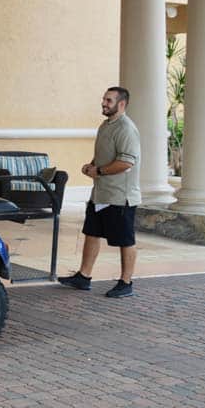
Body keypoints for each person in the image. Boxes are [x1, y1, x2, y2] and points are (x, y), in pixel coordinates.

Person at [59, 86, 141, 298]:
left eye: (108, 100)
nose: (104, 103)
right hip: (100, 193)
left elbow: (126, 162)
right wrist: (92, 166)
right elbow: (106, 156)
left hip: (120, 196)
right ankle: (83, 277)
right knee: (92, 233)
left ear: (121, 104)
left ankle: (126, 283)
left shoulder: (126, 128)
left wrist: (99, 170)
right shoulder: (106, 125)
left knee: (125, 239)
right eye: (104, 99)